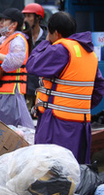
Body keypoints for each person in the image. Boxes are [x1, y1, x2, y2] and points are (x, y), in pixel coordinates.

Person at [26, 12, 104, 163]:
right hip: (80, 124)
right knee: (74, 170)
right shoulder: (89, 53)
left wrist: (44, 43)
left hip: (56, 122)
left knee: (50, 170)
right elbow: (99, 88)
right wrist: (78, 106)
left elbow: (32, 65)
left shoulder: (60, 50)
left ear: (56, 33)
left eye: (48, 32)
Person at [22, 3, 48, 110]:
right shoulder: (21, 37)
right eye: (25, 16)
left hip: (42, 88)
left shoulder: (47, 38)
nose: (25, 19)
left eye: (29, 16)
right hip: (25, 88)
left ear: (38, 18)